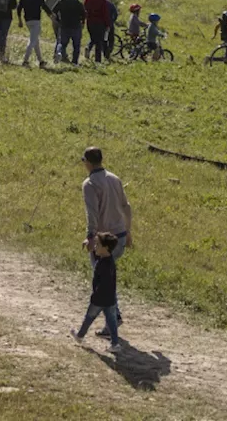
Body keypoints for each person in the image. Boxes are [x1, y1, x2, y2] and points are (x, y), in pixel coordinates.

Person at [79, 147, 133, 337]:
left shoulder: (90, 184)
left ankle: (113, 319)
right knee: (108, 276)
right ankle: (113, 319)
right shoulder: (114, 178)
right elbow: (126, 207)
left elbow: (92, 214)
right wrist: (128, 233)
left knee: (102, 280)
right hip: (119, 236)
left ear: (88, 162)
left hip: (103, 240)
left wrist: (90, 237)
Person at [72, 231, 123, 353]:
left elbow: (102, 284)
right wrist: (88, 245)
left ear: (105, 248)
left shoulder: (103, 265)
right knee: (112, 322)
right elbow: (97, 255)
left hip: (100, 299)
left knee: (89, 317)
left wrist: (95, 296)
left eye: (97, 245)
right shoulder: (109, 260)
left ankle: (79, 336)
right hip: (110, 299)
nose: (95, 247)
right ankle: (115, 344)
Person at [18, 0, 54, 67]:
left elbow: (19, 8)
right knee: (32, 41)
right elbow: (44, 7)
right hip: (36, 20)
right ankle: (25, 61)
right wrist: (51, 15)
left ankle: (41, 61)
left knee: (35, 41)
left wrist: (20, 20)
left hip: (27, 20)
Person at [53, 0, 85, 64]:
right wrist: (83, 22)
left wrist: (58, 19)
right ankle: (74, 62)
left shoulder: (61, 1)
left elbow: (54, 11)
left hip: (64, 25)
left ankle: (59, 53)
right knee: (76, 45)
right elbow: (84, 13)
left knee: (61, 43)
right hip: (76, 26)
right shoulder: (77, 2)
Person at [83, 0, 111, 64]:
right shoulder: (102, 0)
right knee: (99, 42)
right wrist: (108, 24)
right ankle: (98, 60)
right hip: (100, 23)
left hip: (90, 22)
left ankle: (88, 47)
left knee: (93, 38)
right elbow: (105, 13)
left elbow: (85, 10)